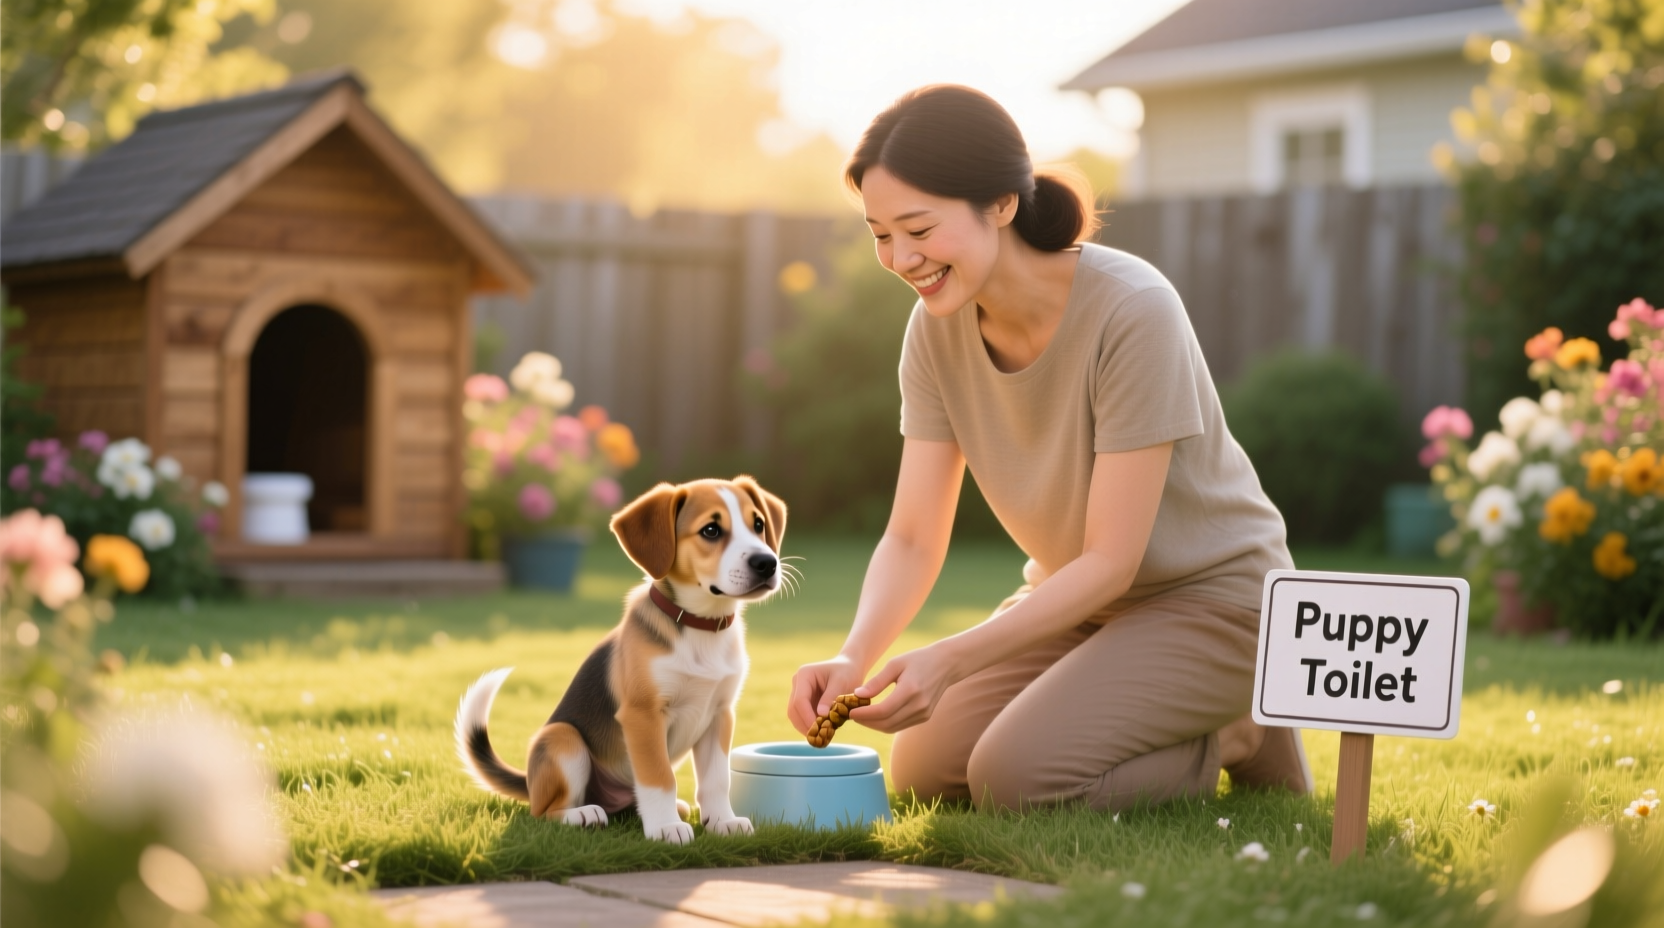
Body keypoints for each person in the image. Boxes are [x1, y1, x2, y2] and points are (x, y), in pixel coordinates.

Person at [786, 85, 1312, 812]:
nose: (901, 257)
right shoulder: (934, 332)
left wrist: (952, 658)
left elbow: (1112, 560)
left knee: (1013, 778)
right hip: (1078, 604)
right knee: (925, 768)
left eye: (919, 228)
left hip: (1215, 604)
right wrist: (853, 655)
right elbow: (911, 537)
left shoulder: (1132, 308)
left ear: (1001, 204)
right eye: (880, 234)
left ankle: (1238, 732)